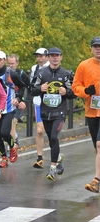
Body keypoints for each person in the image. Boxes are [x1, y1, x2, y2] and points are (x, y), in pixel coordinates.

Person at [31, 47, 75, 181]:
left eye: (57, 55)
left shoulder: (66, 74)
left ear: (61, 57)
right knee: (51, 140)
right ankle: (58, 158)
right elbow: (32, 89)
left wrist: (66, 92)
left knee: (54, 137)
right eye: (52, 55)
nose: (55, 58)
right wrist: (40, 89)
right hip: (45, 112)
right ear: (48, 57)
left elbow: (74, 93)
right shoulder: (41, 73)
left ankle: (52, 168)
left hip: (59, 112)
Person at [72, 36, 100, 193]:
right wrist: (86, 92)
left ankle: (96, 181)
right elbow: (76, 86)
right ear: (91, 49)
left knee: (99, 144)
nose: (98, 49)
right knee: (98, 148)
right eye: (95, 46)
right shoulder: (84, 66)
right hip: (91, 112)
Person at [0, 51, 26, 168]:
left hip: (8, 108)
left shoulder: (11, 73)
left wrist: (18, 98)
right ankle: (4, 158)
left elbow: (22, 86)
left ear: (4, 61)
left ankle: (12, 146)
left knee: (4, 132)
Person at [30, 48, 50, 169]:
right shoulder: (34, 68)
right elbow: (32, 85)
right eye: (37, 56)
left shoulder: (52, 67)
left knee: (51, 131)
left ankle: (55, 155)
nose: (39, 58)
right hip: (38, 102)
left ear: (47, 57)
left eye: (41, 56)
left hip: (51, 104)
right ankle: (39, 157)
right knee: (39, 131)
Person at [7, 54, 31, 148]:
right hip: (7, 103)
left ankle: (11, 147)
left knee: (13, 123)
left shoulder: (22, 74)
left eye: (12, 63)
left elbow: (29, 88)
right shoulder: (4, 73)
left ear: (17, 63)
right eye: (9, 63)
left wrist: (24, 101)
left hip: (17, 102)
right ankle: (15, 137)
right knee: (6, 127)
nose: (10, 66)